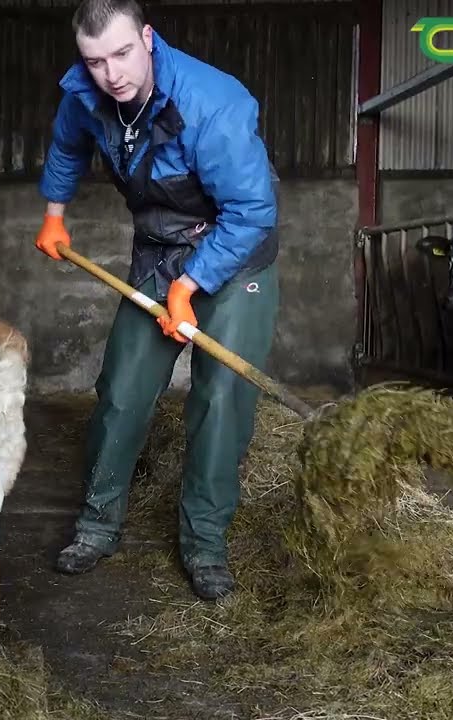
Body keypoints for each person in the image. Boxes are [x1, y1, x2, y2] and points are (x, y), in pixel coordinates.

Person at [34, 0, 280, 601]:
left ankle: (205, 545)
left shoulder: (213, 104)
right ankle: (96, 526)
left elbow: (252, 212)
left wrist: (188, 287)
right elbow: (68, 147)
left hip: (234, 253)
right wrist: (54, 214)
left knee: (221, 400)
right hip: (157, 248)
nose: (112, 73)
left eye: (122, 53)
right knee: (122, 388)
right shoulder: (84, 94)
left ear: (147, 38)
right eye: (96, 61)